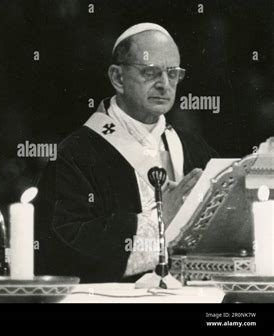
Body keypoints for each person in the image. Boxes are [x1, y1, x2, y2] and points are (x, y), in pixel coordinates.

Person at [35, 23, 218, 283]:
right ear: (118, 78)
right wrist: (159, 221)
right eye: (150, 72)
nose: (164, 84)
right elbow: (65, 247)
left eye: (173, 73)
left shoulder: (194, 148)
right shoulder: (76, 154)